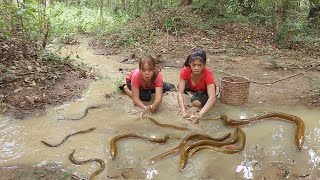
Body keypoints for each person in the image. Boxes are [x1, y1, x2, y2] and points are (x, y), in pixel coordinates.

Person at [177, 49, 216, 124]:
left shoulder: (208, 74)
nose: (196, 68)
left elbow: (212, 97)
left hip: (203, 90)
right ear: (190, 64)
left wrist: (199, 115)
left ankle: (195, 96)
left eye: (199, 65)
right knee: (179, 87)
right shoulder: (185, 71)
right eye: (194, 65)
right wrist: (182, 110)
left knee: (196, 103)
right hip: (190, 88)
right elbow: (180, 92)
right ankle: (191, 94)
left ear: (204, 65)